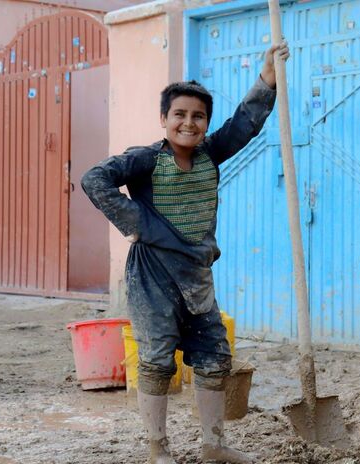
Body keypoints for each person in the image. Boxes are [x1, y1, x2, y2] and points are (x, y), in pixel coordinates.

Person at [81, 43, 290, 464]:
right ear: (164, 119)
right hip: (152, 277)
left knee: (215, 357)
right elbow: (94, 179)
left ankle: (213, 445)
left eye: (198, 116)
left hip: (196, 277)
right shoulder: (145, 159)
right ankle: (158, 449)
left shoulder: (211, 154)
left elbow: (245, 122)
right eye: (179, 114)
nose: (188, 123)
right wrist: (137, 221)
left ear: (206, 123)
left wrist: (268, 76)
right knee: (157, 360)